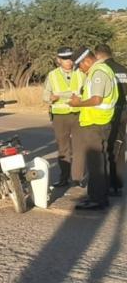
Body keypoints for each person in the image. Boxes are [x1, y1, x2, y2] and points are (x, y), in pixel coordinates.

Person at [69, 47, 118, 210]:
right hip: (97, 122)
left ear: (86, 61)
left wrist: (78, 103)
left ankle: (97, 199)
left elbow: (97, 100)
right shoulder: (99, 71)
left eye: (80, 67)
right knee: (98, 160)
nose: (81, 71)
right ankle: (98, 195)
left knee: (96, 162)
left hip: (96, 122)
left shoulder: (98, 73)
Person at [43, 47, 85, 188]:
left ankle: (77, 178)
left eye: (71, 58)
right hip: (60, 116)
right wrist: (51, 98)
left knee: (79, 147)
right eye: (65, 59)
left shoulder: (81, 73)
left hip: (78, 113)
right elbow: (45, 95)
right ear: (58, 60)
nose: (69, 62)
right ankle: (64, 178)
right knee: (63, 149)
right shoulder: (52, 75)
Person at [94, 44, 127, 196]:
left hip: (109, 113)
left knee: (107, 148)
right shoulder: (123, 69)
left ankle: (107, 183)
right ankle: (118, 183)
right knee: (120, 148)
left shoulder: (103, 71)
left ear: (98, 55)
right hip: (124, 112)